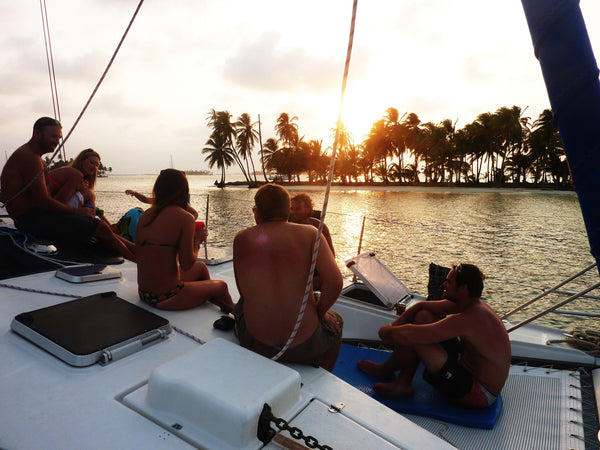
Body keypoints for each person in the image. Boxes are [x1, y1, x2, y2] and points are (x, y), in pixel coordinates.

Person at [357, 263, 510, 409]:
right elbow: (421, 306)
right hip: (464, 366)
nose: (444, 284)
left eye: (449, 282)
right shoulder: (469, 304)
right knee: (423, 317)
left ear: (463, 288)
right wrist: (395, 326)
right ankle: (402, 382)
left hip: (479, 392)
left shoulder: (471, 317)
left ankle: (389, 373)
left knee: (414, 336)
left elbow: (411, 334)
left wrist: (387, 331)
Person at [233, 183, 344, 371]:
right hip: (305, 346)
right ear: (288, 213)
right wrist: (320, 312)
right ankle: (323, 375)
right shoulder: (310, 234)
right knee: (337, 321)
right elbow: (335, 282)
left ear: (258, 213)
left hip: (257, 343)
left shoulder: (242, 238)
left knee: (241, 305)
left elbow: (242, 289)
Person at [0, 117, 135, 261]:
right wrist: (77, 211)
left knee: (101, 229)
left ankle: (139, 252)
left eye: (59, 138)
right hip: (31, 220)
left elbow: (47, 191)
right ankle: (137, 262)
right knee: (99, 228)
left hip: (33, 217)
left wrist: (76, 189)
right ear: (37, 134)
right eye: (53, 136)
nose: (57, 142)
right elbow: (45, 202)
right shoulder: (29, 158)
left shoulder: (36, 158)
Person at [135, 168, 234, 311]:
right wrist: (197, 241)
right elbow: (187, 264)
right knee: (222, 286)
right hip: (168, 296)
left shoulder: (146, 215)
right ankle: (232, 310)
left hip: (144, 293)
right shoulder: (185, 218)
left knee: (201, 268)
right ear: (184, 190)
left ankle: (208, 296)